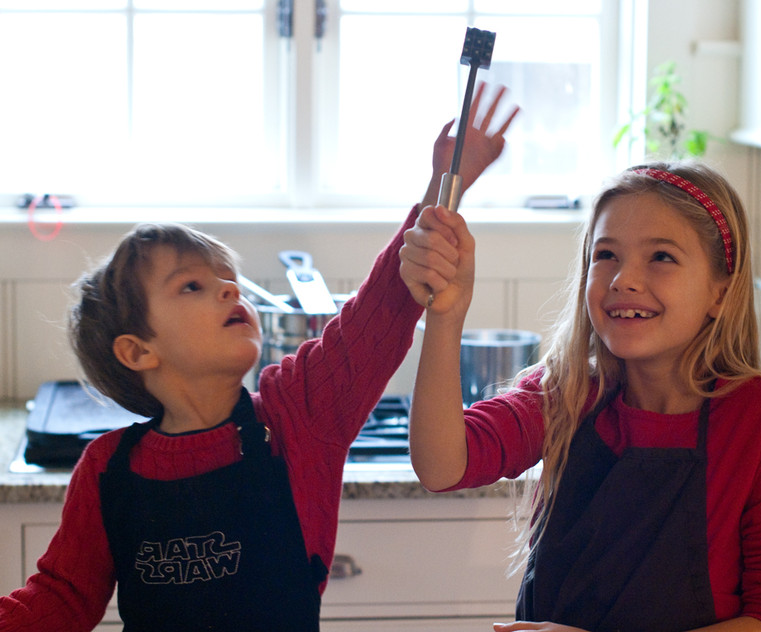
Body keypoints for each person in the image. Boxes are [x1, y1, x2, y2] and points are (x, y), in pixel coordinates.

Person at [0, 83, 519, 632]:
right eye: (192, 287)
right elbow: (60, 599)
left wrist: (444, 186)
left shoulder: (298, 417)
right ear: (137, 351)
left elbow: (378, 313)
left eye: (229, 280)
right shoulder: (107, 471)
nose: (231, 291)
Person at [399, 162, 761, 632]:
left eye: (661, 256)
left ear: (719, 292)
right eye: (606, 255)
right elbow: (442, 466)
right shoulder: (568, 392)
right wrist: (445, 316)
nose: (623, 279)